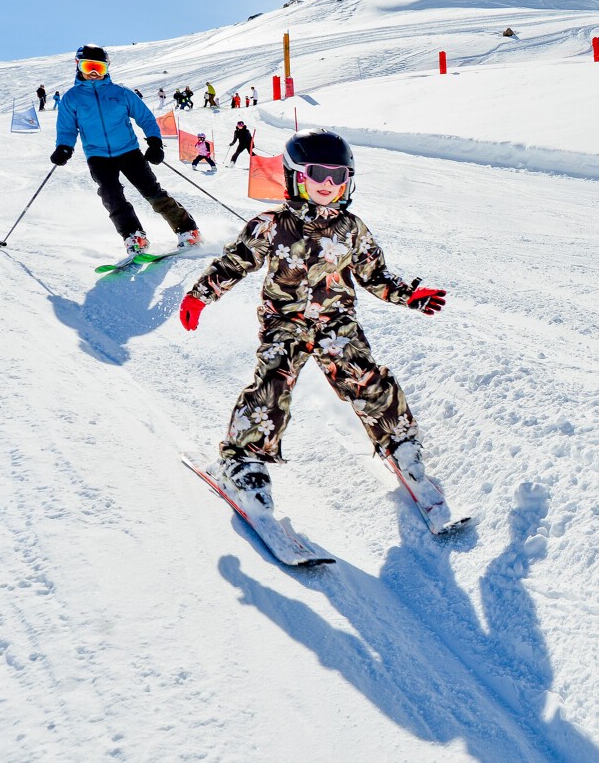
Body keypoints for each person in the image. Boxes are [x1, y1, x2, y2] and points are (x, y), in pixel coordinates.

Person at [177, 130, 452, 525]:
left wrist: (408, 294)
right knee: (273, 381)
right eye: (318, 173)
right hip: (284, 321)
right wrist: (200, 295)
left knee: (364, 376)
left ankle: (400, 443)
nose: (328, 183)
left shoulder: (352, 228)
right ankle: (243, 462)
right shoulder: (270, 225)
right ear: (295, 176)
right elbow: (234, 262)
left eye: (338, 176)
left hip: (336, 322)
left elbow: (375, 274)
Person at [50, 45, 202, 253]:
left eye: (99, 68)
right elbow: (67, 128)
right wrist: (64, 148)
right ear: (78, 66)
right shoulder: (72, 98)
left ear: (107, 69)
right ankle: (133, 235)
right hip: (97, 156)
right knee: (111, 196)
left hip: (129, 151)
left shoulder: (120, 93)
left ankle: (187, 230)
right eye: (89, 67)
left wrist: (155, 142)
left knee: (151, 191)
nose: (94, 73)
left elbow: (145, 118)